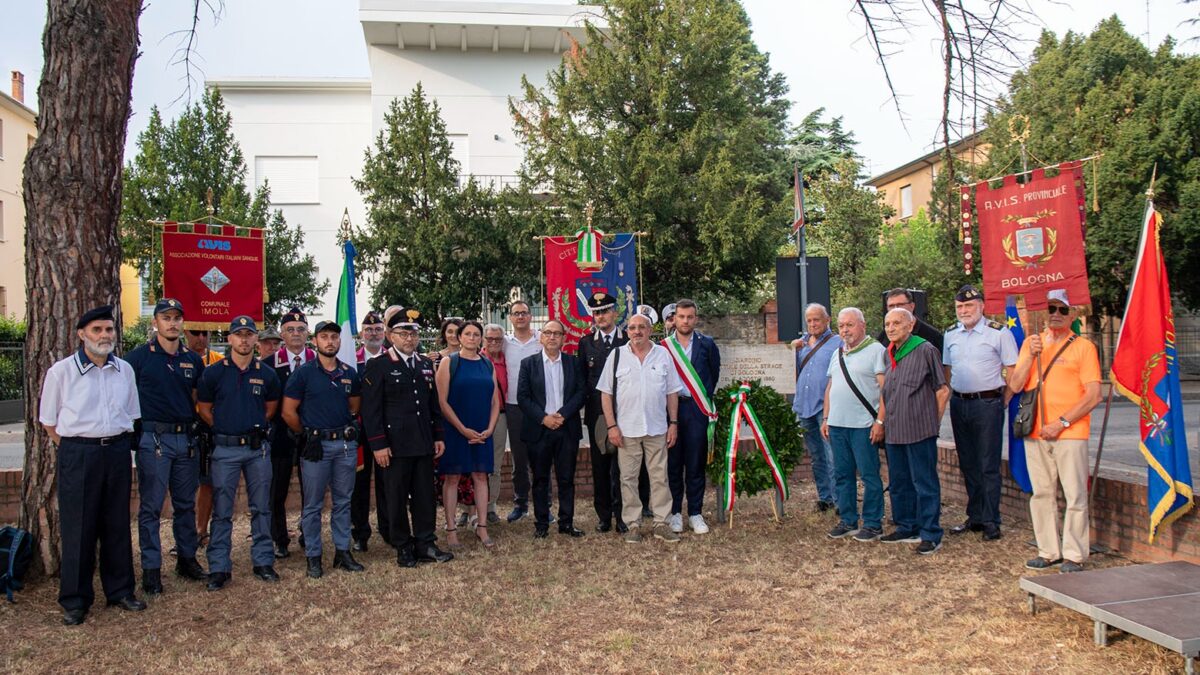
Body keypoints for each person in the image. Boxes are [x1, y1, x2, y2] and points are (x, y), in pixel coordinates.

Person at [40, 305, 145, 625]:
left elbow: (132, 414)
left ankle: (121, 590)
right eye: (97, 330)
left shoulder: (124, 370)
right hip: (78, 453)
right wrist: (77, 448)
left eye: (109, 330)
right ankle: (75, 599)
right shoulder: (62, 372)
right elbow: (49, 422)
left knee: (116, 524)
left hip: (115, 452)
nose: (104, 336)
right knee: (79, 527)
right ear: (81, 334)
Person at [1008, 289, 1101, 573]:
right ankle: (1048, 550)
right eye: (1051, 309)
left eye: (1063, 310)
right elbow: (1015, 385)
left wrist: (1061, 422)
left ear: (1073, 315)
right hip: (1035, 431)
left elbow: (1093, 395)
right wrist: (1029, 356)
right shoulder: (1032, 344)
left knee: (1074, 495)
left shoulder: (1083, 347)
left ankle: (1074, 553)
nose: (1056, 315)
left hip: (1069, 432)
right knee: (1042, 493)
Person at [124, 298, 207, 596]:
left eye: (176, 318)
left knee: (185, 505)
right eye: (166, 317)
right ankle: (151, 568)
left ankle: (186, 559)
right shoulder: (137, 359)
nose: (172, 323)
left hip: (185, 440)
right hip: (153, 440)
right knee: (151, 507)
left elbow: (199, 399)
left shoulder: (193, 360)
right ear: (155, 322)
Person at [361, 308, 455, 567]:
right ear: (390, 335)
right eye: (403, 333)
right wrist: (378, 445)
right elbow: (371, 411)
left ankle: (426, 542)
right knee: (396, 497)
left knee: (424, 496)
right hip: (394, 446)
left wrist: (438, 435)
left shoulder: (425, 364)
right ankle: (402, 545)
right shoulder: (378, 365)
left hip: (423, 443)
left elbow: (432, 405)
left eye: (413, 333)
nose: (410, 338)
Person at [195, 315, 282, 590]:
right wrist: (225, 427)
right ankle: (219, 567)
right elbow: (205, 410)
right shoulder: (214, 372)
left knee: (261, 507)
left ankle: (263, 561)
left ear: (255, 339)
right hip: (225, 449)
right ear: (229, 339)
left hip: (257, 449)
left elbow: (271, 408)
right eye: (239, 334)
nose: (244, 339)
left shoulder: (266, 373)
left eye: (249, 334)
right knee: (222, 510)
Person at [282, 320, 366, 578]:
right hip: (316, 447)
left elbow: (354, 407)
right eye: (324, 337)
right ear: (315, 341)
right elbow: (288, 412)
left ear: (339, 341)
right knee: (313, 505)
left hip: (343, 445)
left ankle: (342, 552)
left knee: (343, 501)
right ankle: (313, 557)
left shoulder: (349, 372)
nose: (330, 341)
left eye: (334, 337)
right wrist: (308, 434)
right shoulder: (303, 373)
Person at [597, 313, 683, 543]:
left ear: (649, 330)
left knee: (659, 478)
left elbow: (672, 392)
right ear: (627, 332)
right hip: (626, 431)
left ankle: (661, 523)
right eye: (632, 327)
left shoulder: (663, 355)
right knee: (628, 479)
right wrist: (612, 426)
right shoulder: (616, 356)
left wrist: (673, 423)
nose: (637, 331)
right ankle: (633, 524)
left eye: (642, 327)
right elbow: (605, 394)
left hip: (657, 428)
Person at [943, 285, 1017, 541]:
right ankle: (974, 516)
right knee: (968, 463)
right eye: (960, 307)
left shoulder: (999, 333)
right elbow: (947, 371)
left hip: (988, 404)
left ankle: (991, 520)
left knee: (988, 464)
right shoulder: (950, 334)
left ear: (982, 306)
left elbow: (1012, 369)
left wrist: (1003, 399)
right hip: (959, 403)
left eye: (969, 306)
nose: (964, 311)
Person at [878, 307, 950, 555]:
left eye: (897, 323)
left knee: (924, 483)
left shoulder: (925, 349)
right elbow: (887, 393)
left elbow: (942, 390)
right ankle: (906, 525)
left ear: (910, 325)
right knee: (899, 482)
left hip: (919, 430)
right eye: (888, 324)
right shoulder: (889, 354)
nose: (891, 328)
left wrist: (933, 422)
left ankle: (930, 533)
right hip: (895, 430)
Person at [578, 292, 642, 533]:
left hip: (626, 413)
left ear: (615, 313)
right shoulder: (585, 343)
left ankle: (623, 515)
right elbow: (583, 381)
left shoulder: (627, 339)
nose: (600, 316)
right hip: (598, 416)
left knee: (624, 468)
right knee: (600, 466)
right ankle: (604, 516)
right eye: (596, 312)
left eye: (604, 311)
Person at [820, 307, 887, 541]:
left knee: (869, 476)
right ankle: (848, 520)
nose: (845, 329)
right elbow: (830, 387)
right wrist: (826, 418)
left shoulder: (876, 351)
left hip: (863, 425)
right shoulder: (838, 353)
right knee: (842, 475)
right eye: (841, 325)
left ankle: (872, 523)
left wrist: (880, 421)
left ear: (863, 325)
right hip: (838, 425)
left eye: (850, 324)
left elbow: (885, 390)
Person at [517, 319, 586, 538]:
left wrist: (563, 415)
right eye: (548, 332)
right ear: (541, 337)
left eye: (557, 333)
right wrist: (544, 418)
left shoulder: (573, 363)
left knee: (566, 479)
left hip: (566, 429)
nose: (552, 337)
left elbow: (581, 393)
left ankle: (566, 523)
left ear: (564, 338)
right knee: (540, 479)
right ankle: (542, 524)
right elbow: (523, 397)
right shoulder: (528, 364)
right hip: (539, 429)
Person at [436, 320, 500, 549]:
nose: (472, 338)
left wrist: (491, 428)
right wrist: (462, 429)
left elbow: (495, 401)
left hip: (482, 431)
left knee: (481, 476)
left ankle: (481, 527)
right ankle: (451, 528)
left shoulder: (487, 364)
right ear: (459, 337)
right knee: (452, 478)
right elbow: (442, 401)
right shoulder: (448, 363)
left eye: (476, 334)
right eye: (468, 334)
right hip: (456, 430)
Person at [662, 299, 720, 535]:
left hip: (697, 409)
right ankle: (675, 513)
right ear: (674, 318)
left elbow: (713, 375)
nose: (685, 321)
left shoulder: (707, 344)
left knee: (696, 463)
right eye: (681, 317)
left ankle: (695, 512)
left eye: (690, 317)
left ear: (696, 319)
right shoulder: (664, 347)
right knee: (673, 463)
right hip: (670, 411)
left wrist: (701, 400)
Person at [266, 307, 314, 559]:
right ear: (282, 334)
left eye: (301, 329)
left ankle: (309, 532)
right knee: (277, 490)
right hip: (280, 437)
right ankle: (279, 538)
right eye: (290, 330)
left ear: (308, 333)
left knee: (311, 489)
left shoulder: (319, 362)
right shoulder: (267, 365)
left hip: (310, 436)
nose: (296, 334)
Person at [791, 303, 842, 512]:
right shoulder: (801, 344)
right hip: (805, 405)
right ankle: (825, 497)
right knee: (816, 456)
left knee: (832, 455)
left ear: (827, 319)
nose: (813, 324)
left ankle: (840, 501)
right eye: (809, 320)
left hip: (826, 406)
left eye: (817, 319)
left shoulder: (838, 342)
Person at [351, 310, 389, 552]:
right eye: (368, 330)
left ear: (384, 333)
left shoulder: (392, 358)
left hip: (388, 431)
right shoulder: (350, 359)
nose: (373, 333)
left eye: (377, 329)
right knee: (359, 484)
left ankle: (389, 529)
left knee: (388, 484)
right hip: (360, 431)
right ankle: (360, 533)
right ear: (361, 334)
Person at [503, 300, 543, 522]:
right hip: (513, 406)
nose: (520, 317)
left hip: (538, 407)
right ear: (510, 317)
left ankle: (544, 503)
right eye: (516, 313)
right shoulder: (505, 343)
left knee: (541, 458)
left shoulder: (541, 340)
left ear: (530, 316)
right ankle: (520, 504)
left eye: (524, 313)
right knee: (519, 460)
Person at [189, 328, 225, 549]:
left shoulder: (217, 360)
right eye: (196, 332)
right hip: (183, 425)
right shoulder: (180, 357)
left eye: (205, 333)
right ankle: (186, 534)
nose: (201, 338)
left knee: (208, 483)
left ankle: (202, 529)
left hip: (207, 427)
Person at [482, 323, 509, 525]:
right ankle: (469, 508)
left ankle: (490, 506)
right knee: (473, 465)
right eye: (489, 338)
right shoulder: (477, 360)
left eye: (497, 339)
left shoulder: (507, 360)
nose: (493, 342)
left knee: (495, 465)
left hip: (500, 416)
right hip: (478, 417)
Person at [876, 288, 944, 354]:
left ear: (912, 306)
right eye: (891, 306)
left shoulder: (932, 336)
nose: (895, 309)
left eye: (900, 305)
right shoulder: (885, 335)